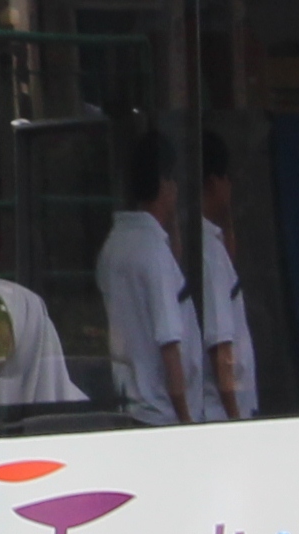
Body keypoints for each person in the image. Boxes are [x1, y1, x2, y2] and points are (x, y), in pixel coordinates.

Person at [94, 127, 201, 427]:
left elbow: (171, 273)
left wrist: (173, 222)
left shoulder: (115, 244)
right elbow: (169, 344)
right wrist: (186, 420)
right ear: (165, 182)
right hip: (163, 415)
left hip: (129, 405)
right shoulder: (152, 254)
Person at [192, 131, 261, 421]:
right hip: (223, 414)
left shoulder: (212, 244)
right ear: (213, 182)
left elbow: (231, 257)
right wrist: (235, 420)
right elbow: (221, 349)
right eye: (227, 179)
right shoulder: (208, 254)